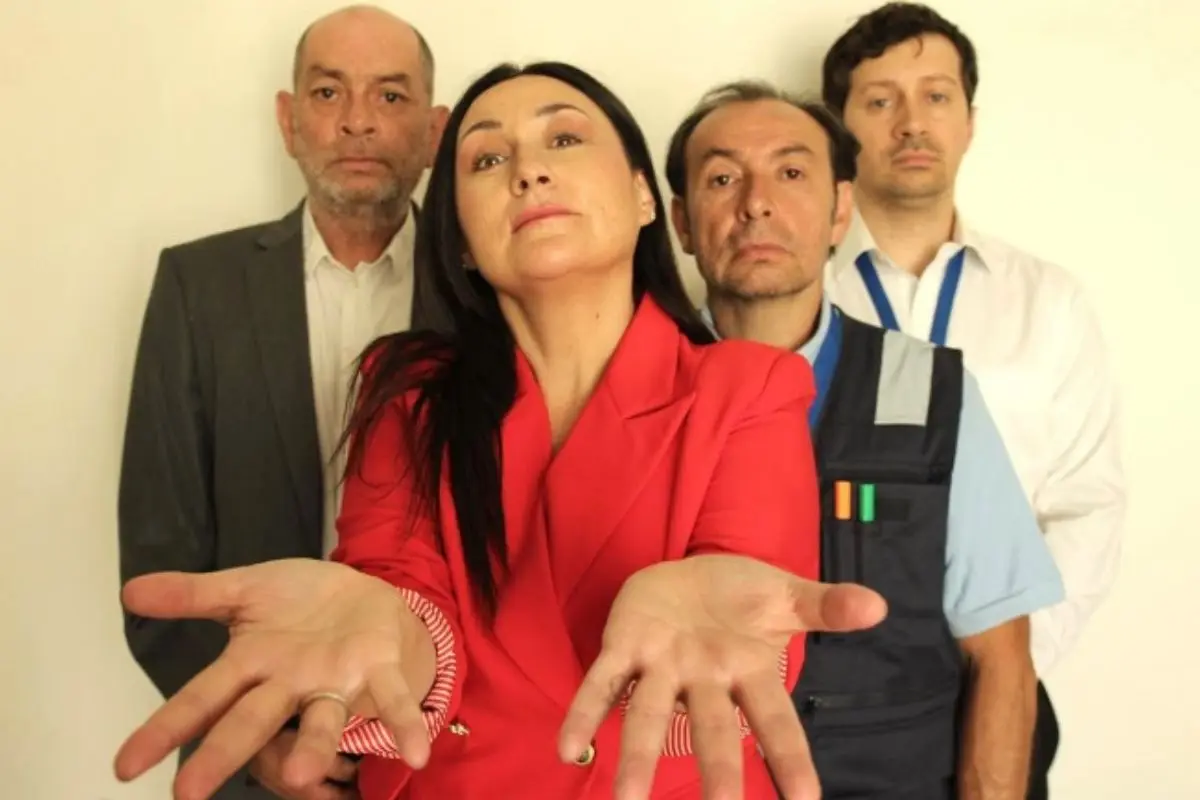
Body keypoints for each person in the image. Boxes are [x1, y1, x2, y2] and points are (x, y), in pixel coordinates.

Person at [112, 61, 892, 800]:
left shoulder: (750, 386)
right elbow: (401, 593)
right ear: (459, 238)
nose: (528, 171)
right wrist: (380, 645)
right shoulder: (408, 393)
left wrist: (703, 648)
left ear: (643, 197)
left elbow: (746, 620)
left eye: (564, 138)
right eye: (488, 159)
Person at [664, 80, 1066, 798]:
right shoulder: (635, 395)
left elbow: (1002, 656)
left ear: (839, 210)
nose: (756, 203)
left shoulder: (931, 391)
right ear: (682, 223)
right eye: (722, 179)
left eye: (791, 173)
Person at [117, 6, 449, 798]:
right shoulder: (199, 288)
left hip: (445, 755)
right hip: (250, 763)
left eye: (391, 96)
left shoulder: (488, 293)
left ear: (435, 131)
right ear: (288, 120)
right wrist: (255, 744)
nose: (359, 120)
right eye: (329, 93)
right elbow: (162, 551)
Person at [819, 4, 1127, 796]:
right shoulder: (800, 296)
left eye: (937, 96)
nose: (911, 122)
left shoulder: (1046, 301)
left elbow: (1088, 502)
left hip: (1005, 683)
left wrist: (1009, 656)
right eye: (880, 100)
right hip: (836, 702)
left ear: (970, 121)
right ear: (839, 129)